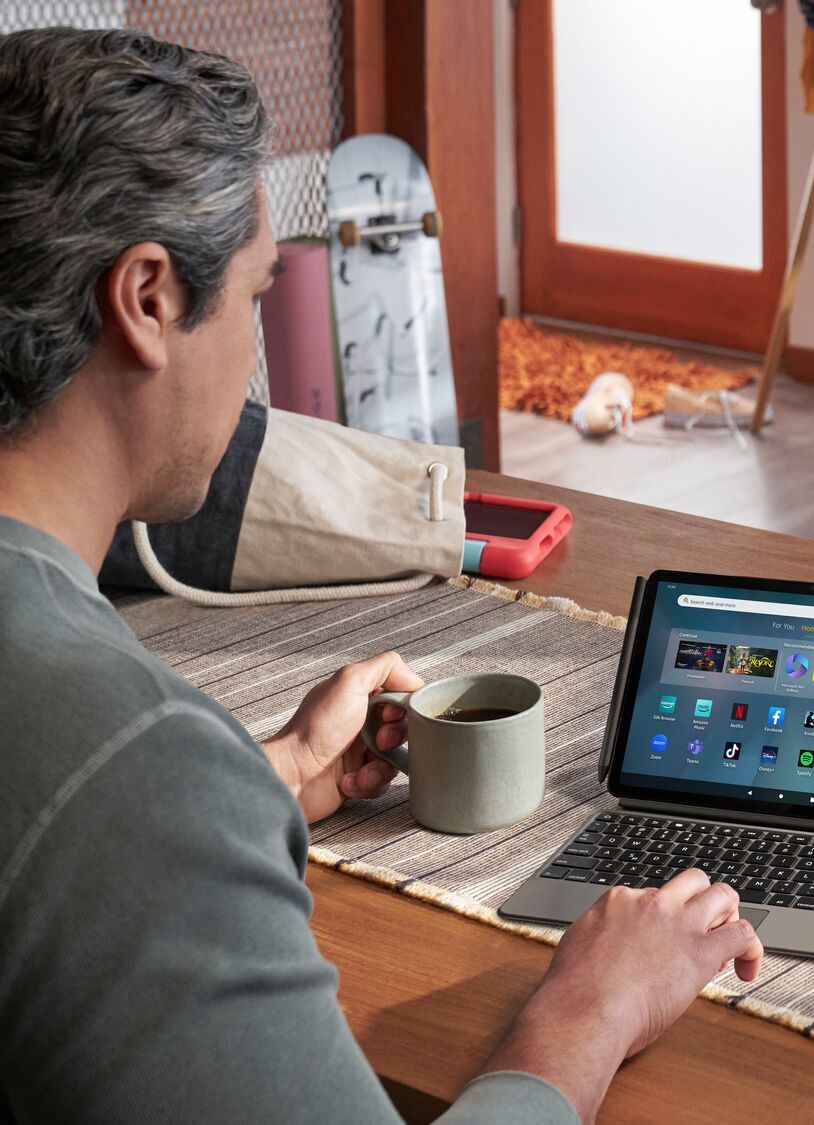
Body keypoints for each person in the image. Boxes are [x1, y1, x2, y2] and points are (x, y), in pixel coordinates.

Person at [0, 27, 762, 1124]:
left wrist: (265, 779)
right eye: (260, 295)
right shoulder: (132, 760)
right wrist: (591, 1010)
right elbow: (93, 802)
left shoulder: (118, 772)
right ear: (149, 300)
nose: (259, 351)